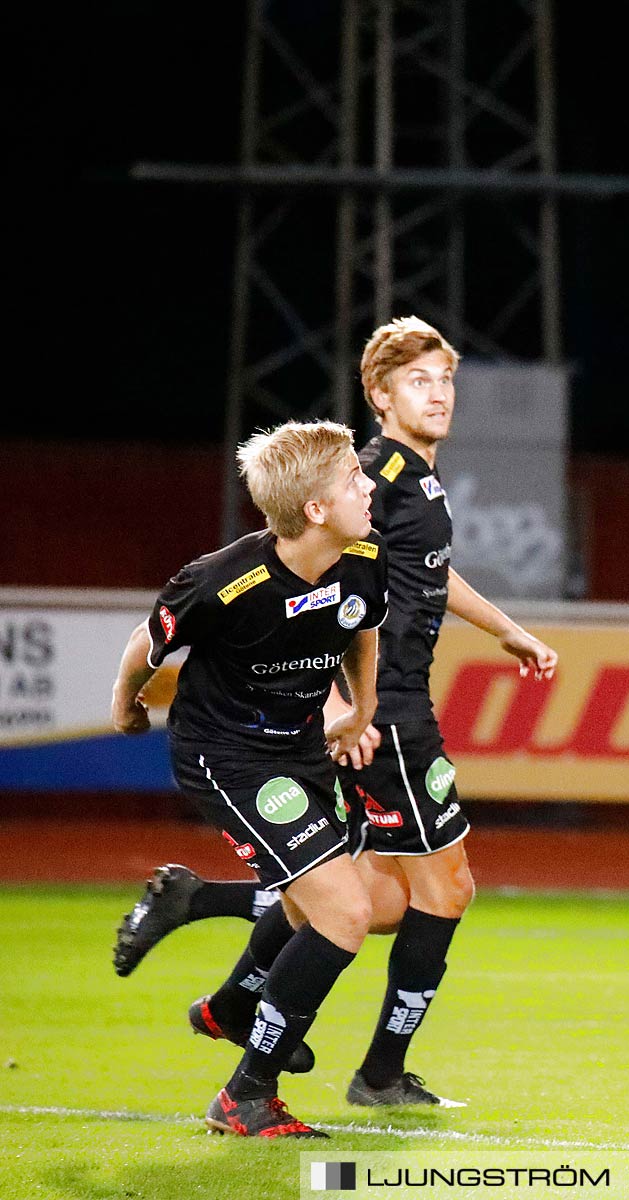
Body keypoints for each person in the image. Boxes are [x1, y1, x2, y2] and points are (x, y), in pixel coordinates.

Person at [113, 316, 558, 1109]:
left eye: (447, 379)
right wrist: (351, 708)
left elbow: (417, 578)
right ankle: (370, 1074)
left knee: (374, 899)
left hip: (388, 702)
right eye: (420, 380)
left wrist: (506, 630)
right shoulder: (376, 474)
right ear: (379, 396)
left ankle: (227, 975)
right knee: (433, 891)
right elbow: (317, 599)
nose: (440, 394)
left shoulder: (416, 479)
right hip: (386, 717)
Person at [110, 420, 388, 1137]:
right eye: (354, 478)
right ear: (316, 510)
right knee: (346, 912)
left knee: (309, 909)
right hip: (225, 756)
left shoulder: (360, 556)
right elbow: (149, 641)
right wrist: (125, 706)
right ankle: (246, 1095)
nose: (368, 485)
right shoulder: (221, 581)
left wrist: (361, 710)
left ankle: (232, 1009)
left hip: (298, 749)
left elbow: (360, 625)